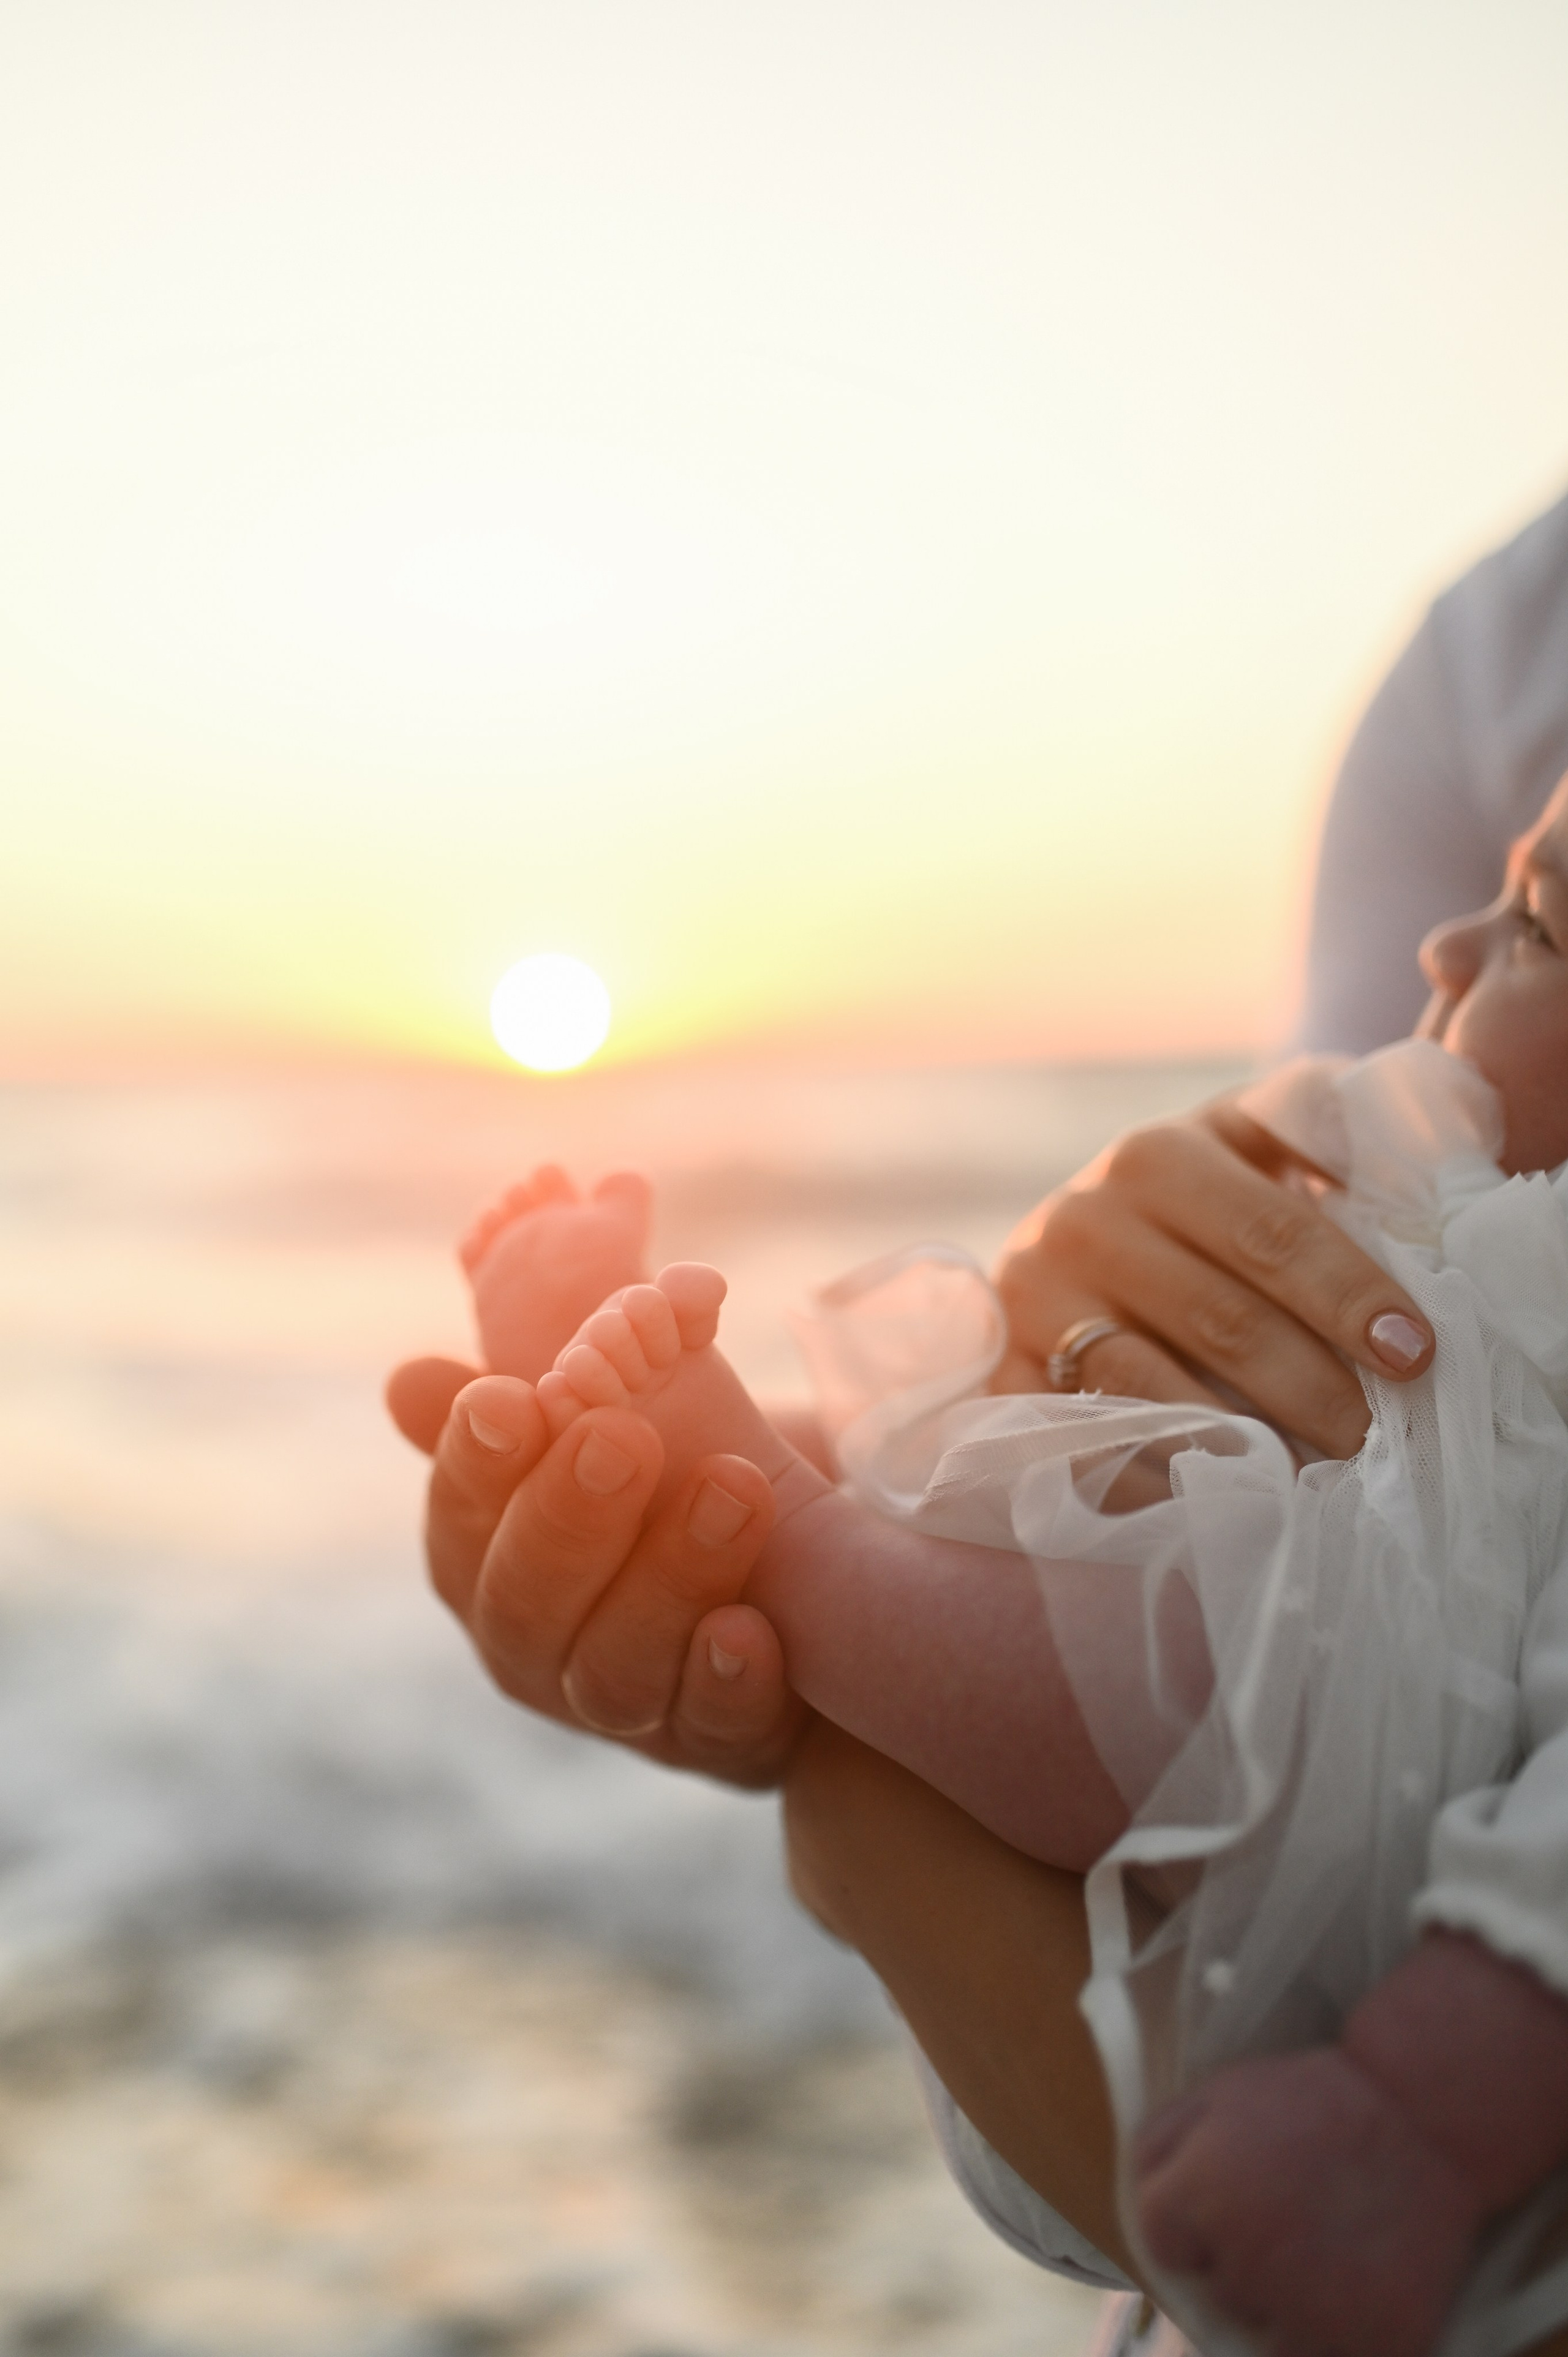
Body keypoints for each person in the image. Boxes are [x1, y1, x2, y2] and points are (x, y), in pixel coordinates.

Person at [385, 488, 1568, 2355]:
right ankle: (719, 1480)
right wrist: (1102, 1251)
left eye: (1536, 920)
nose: (1447, 949)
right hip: (1271, 1678)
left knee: (1154, 1658)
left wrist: (1416, 2115)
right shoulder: (1503, 642)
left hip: (1332, 1851)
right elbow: (1327, 1210)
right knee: (1054, 1514)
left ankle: (762, 1501)